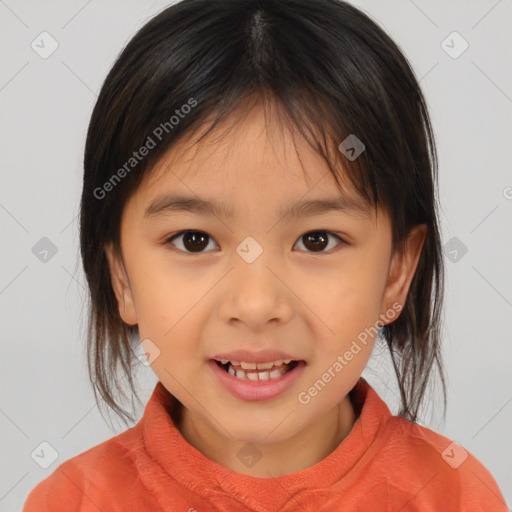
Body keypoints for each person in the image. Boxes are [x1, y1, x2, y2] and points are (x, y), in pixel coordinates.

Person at [23, 0, 509, 510]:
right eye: (194, 240)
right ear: (121, 275)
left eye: (317, 240)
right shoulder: (74, 501)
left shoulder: (453, 495)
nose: (255, 305)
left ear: (396, 272)